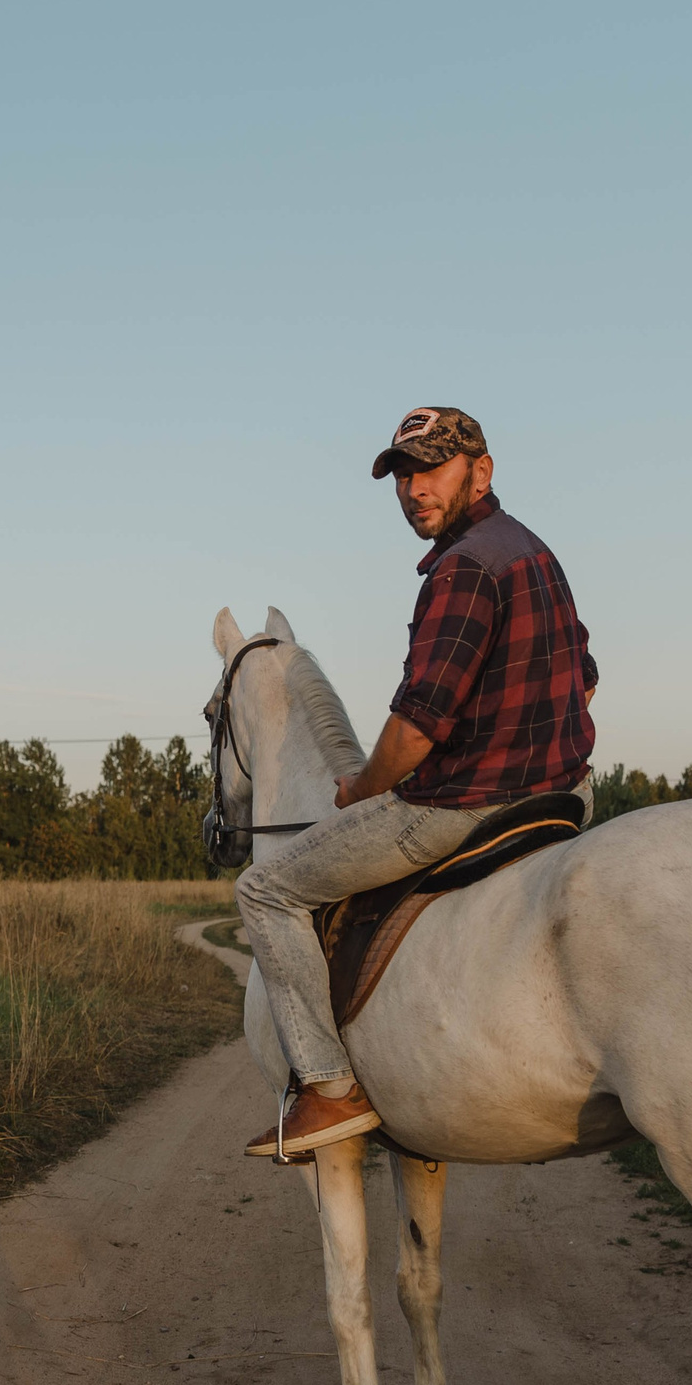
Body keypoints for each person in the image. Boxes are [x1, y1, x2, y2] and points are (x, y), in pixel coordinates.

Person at [237, 407, 598, 1155]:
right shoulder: (534, 552)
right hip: (564, 794)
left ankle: (331, 1088)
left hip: (466, 804)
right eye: (402, 474)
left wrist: (362, 787)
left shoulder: (462, 568)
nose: (413, 489)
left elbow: (415, 730)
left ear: (482, 470)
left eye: (431, 468)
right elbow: (585, 681)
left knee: (265, 890)